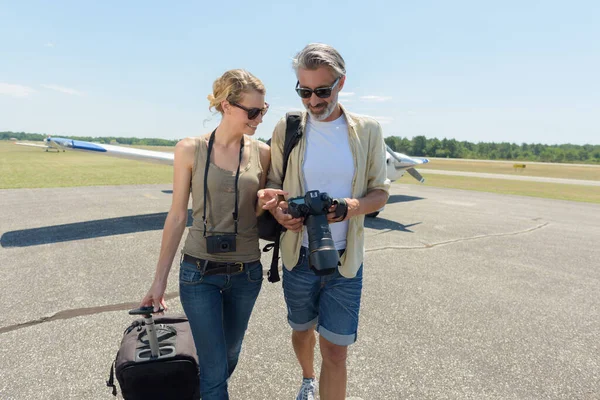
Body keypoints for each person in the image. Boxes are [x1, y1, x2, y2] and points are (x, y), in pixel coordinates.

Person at [140, 69, 284, 400]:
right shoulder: (189, 149)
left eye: (263, 110)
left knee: (229, 356)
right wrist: (158, 281)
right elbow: (177, 216)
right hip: (199, 273)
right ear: (225, 105)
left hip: (246, 273)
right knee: (216, 369)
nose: (260, 118)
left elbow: (261, 213)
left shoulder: (263, 153)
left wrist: (268, 203)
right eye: (253, 111)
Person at [259, 43, 390, 400]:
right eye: (304, 91)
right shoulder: (287, 128)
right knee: (302, 331)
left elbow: (381, 192)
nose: (313, 101)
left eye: (322, 91)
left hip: (345, 260)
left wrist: (351, 206)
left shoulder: (368, 131)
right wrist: (277, 210)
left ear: (341, 82)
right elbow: (273, 184)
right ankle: (307, 379)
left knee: (336, 350)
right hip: (298, 256)